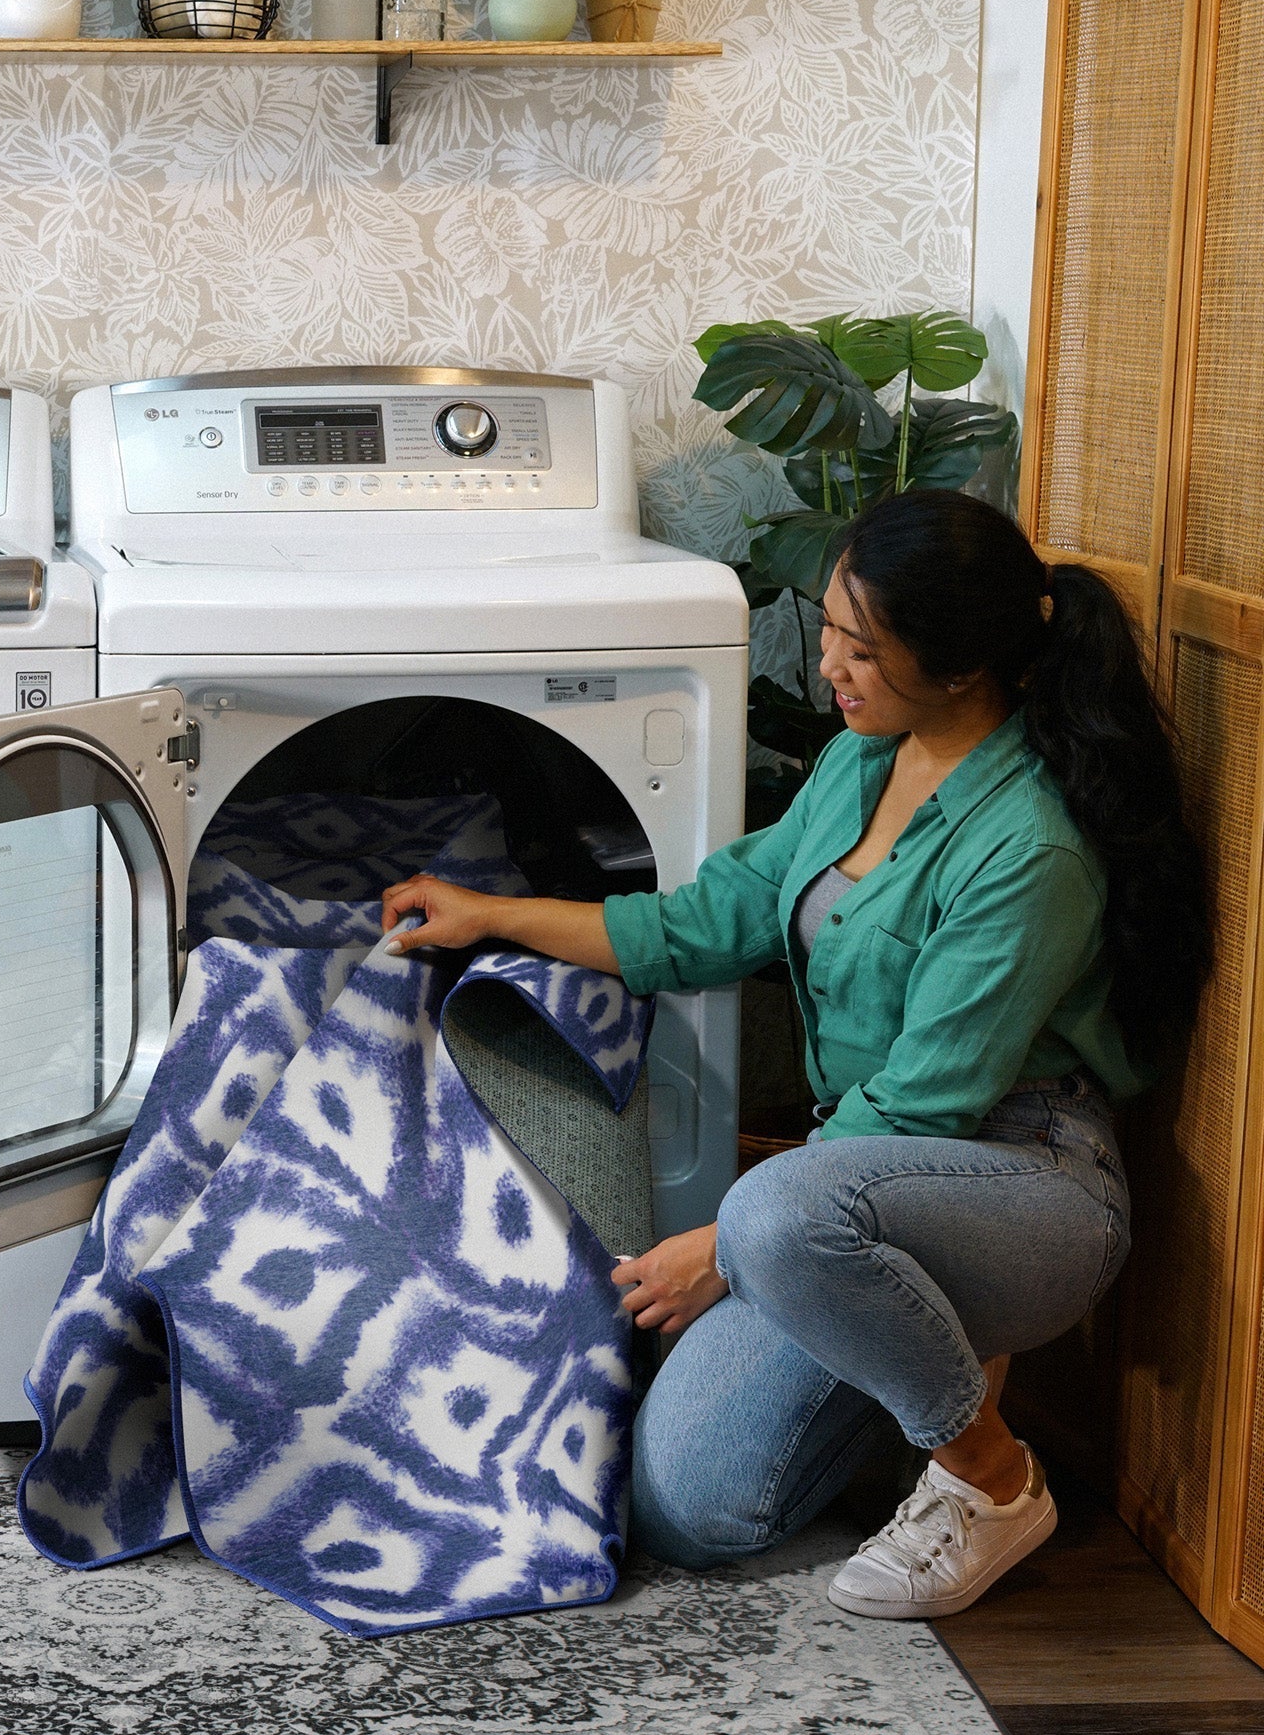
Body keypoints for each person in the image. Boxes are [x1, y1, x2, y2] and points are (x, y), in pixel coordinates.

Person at [379, 490, 1210, 1619]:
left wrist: (717, 1248)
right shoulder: (859, 765)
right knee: (684, 1508)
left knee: (773, 1215)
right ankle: (900, 1343)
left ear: (962, 665)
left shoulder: (1029, 847)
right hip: (848, 1189)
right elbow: (701, 923)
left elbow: (928, 1101)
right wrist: (489, 913)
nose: (827, 664)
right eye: (826, 629)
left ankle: (990, 1480)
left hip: (1024, 1183)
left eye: (858, 646)